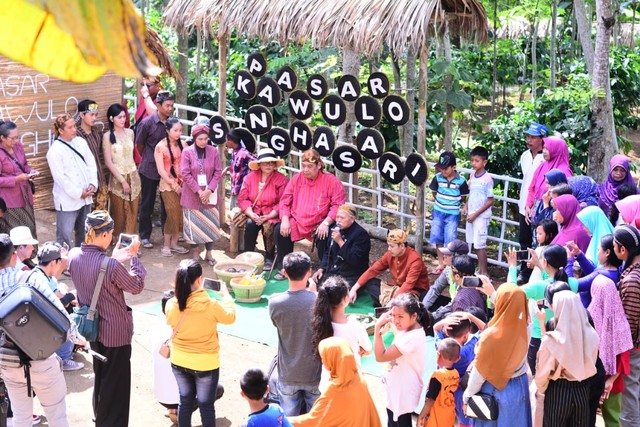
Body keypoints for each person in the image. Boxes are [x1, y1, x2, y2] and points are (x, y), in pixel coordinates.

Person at [67, 210, 146, 426]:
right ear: (103, 235)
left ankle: (100, 417)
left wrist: (114, 259)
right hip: (116, 333)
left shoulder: (74, 256)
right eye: (110, 233)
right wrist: (134, 257)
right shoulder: (110, 266)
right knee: (117, 386)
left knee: (101, 377)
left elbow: (94, 273)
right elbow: (136, 285)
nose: (112, 237)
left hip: (92, 329)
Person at [0, 234, 79, 427]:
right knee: (57, 417)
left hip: (6, 361)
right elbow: (62, 316)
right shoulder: (28, 277)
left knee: (20, 417)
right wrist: (77, 338)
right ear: (13, 256)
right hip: (41, 357)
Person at [165, 259, 236, 427]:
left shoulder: (170, 304)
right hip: (206, 363)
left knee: (185, 401)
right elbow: (230, 317)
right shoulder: (210, 305)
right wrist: (226, 297)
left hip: (179, 361)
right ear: (199, 280)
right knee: (206, 405)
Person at [462, 283, 531, 427]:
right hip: (519, 387)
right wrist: (492, 294)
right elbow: (511, 306)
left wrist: (467, 397)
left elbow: (479, 372)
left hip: (493, 391)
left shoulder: (490, 336)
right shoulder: (526, 329)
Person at [507, 244, 579, 374]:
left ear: (545, 261)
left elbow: (511, 292)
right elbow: (554, 279)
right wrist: (540, 265)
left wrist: (512, 267)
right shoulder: (573, 283)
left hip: (540, 340)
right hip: (565, 340)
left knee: (539, 384)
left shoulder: (538, 287)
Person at [275, 149, 346, 279]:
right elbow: (285, 201)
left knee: (325, 234)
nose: (306, 170)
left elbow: (338, 205)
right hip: (298, 221)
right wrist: (285, 219)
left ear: (319, 166)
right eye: (303, 166)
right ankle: (285, 267)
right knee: (280, 229)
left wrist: (326, 223)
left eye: (310, 166)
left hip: (320, 223)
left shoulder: (331, 181)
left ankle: (323, 269)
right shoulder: (297, 179)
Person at [535, 291, 599, 427]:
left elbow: (542, 376)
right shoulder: (592, 335)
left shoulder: (551, 340)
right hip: (583, 388)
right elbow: (592, 361)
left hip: (558, 390)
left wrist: (541, 390)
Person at [268, 252, 322, 416]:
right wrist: (314, 293)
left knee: (289, 419)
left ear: (284, 272)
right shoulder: (319, 301)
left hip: (288, 373)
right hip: (315, 373)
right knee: (315, 419)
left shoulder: (275, 301)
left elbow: (276, 323)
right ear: (309, 272)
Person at [289, 337, 381, 427]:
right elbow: (371, 413)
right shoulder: (359, 379)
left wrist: (281, 418)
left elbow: (314, 421)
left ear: (331, 360)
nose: (322, 360)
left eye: (323, 357)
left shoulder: (334, 391)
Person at [374, 293, 431, 427]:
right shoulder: (408, 328)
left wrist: (377, 329)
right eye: (393, 316)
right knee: (393, 421)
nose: (396, 320)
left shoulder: (412, 338)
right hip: (397, 389)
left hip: (402, 392)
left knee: (399, 422)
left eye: (400, 316)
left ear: (414, 316)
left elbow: (380, 356)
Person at [587, 267, 634, 427]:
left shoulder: (589, 318)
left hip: (601, 383)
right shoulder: (621, 322)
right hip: (610, 383)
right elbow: (625, 356)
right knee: (611, 419)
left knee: (601, 418)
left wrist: (608, 382)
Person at [30, 242, 84, 371]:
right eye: (60, 262)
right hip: (39, 329)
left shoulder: (37, 273)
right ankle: (63, 360)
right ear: (54, 262)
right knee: (67, 320)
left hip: (32, 325)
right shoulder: (41, 280)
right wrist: (70, 297)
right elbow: (54, 309)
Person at [310, 276, 371, 391]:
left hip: (327, 385)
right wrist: (360, 350)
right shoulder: (355, 326)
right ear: (344, 299)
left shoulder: (319, 322)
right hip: (351, 383)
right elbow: (368, 349)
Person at [47, 114, 98, 248]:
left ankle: (80, 262)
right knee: (65, 236)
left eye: (74, 126)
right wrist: (78, 193)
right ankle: (63, 264)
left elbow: (91, 163)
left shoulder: (81, 142)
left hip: (86, 196)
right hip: (68, 200)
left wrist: (92, 183)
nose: (74, 129)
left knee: (84, 231)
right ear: (61, 131)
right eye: (70, 127)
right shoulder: (55, 151)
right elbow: (60, 179)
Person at [135, 90, 175, 249]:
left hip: (168, 170)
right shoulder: (147, 123)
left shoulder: (173, 122)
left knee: (168, 203)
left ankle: (168, 235)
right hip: (150, 168)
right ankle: (144, 236)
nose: (170, 109)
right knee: (147, 203)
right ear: (158, 105)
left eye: (172, 105)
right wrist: (151, 157)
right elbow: (139, 145)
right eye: (167, 106)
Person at [180, 124, 224, 266]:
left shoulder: (213, 151)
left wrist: (209, 190)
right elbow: (185, 173)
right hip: (192, 194)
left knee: (210, 225)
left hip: (209, 194)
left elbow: (218, 172)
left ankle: (209, 254)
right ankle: (195, 253)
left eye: (205, 138)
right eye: (200, 139)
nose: (203, 142)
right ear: (194, 139)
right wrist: (199, 191)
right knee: (193, 226)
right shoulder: (187, 152)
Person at [349, 229, 429, 306]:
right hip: (395, 288)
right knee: (371, 283)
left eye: (391, 246)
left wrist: (393, 300)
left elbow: (408, 285)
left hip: (413, 292)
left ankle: (389, 303)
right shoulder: (389, 254)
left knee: (408, 300)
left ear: (402, 246)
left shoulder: (415, 260)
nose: (388, 249)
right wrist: (354, 289)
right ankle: (389, 303)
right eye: (388, 246)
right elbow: (373, 270)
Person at [433, 310, 486, 427]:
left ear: (447, 331)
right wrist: (471, 316)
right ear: (466, 335)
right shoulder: (467, 350)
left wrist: (443, 322)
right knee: (465, 421)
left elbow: (435, 328)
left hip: (444, 391)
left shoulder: (442, 346)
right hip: (462, 391)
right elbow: (486, 330)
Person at [238, 148, 289, 270]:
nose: (269, 165)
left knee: (269, 226)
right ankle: (247, 254)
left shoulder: (281, 179)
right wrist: (250, 213)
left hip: (273, 213)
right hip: (254, 211)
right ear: (259, 164)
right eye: (265, 163)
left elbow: (284, 201)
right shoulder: (250, 178)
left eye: (271, 162)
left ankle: (269, 256)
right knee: (251, 225)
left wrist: (270, 215)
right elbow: (242, 198)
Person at [612, 224, 640, 427]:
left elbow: (628, 325)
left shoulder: (631, 281)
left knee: (630, 394)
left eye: (615, 246)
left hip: (633, 347)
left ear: (623, 250)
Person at [103, 103, 141, 243]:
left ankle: (130, 242)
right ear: (112, 118)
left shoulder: (130, 132)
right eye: (119, 117)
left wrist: (132, 177)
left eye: (124, 116)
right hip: (117, 177)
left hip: (133, 175)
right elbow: (108, 162)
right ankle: (119, 241)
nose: (123, 119)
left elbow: (132, 155)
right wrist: (123, 181)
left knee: (133, 210)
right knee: (118, 212)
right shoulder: (107, 136)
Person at [429, 151, 469, 273]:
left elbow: (463, 196)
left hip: (452, 213)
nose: (443, 171)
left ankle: (448, 265)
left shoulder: (461, 181)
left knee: (450, 239)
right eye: (441, 168)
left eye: (445, 168)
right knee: (437, 238)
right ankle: (441, 264)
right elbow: (434, 192)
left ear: (454, 167)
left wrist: (452, 203)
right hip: (438, 211)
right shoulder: (437, 178)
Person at [312, 204, 371, 287]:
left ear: (352, 219)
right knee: (313, 284)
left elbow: (355, 260)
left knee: (335, 292)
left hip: (351, 274)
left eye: (342, 218)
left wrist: (340, 242)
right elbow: (328, 252)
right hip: (334, 271)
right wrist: (321, 268)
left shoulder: (361, 235)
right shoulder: (335, 229)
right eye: (337, 217)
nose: (338, 221)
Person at [154, 117, 189, 257]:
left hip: (183, 185)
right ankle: (166, 245)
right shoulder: (160, 147)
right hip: (167, 186)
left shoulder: (184, 145)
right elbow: (161, 171)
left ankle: (175, 243)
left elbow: (188, 166)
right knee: (172, 213)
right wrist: (174, 184)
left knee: (180, 214)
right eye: (175, 130)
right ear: (167, 130)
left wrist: (184, 183)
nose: (178, 133)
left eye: (180, 130)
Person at [517, 122, 547, 283]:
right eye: (528, 136)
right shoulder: (525, 156)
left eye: (533, 137)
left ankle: (537, 274)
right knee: (524, 240)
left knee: (539, 241)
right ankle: (524, 272)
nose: (529, 140)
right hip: (524, 205)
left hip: (539, 207)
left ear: (542, 139)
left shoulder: (546, 158)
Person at [525, 135, 573, 228]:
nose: (544, 151)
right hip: (536, 211)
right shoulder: (542, 166)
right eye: (543, 148)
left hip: (553, 214)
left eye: (547, 149)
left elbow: (566, 198)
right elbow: (532, 188)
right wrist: (528, 205)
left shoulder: (565, 172)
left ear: (557, 150)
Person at [0, 120, 37, 237]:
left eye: (18, 137)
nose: (16, 141)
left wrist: (30, 171)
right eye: (13, 138)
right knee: (15, 233)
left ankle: (30, 254)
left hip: (25, 195)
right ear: (2, 137)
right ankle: (15, 255)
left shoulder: (18, 146)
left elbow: (24, 164)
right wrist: (16, 179)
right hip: (9, 200)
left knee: (30, 228)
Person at [567, 235, 622, 308]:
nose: (597, 253)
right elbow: (592, 273)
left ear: (607, 252)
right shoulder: (614, 271)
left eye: (598, 250)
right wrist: (579, 254)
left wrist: (568, 260)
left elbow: (572, 285)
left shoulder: (601, 275)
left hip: (588, 317)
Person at [417, 338, 461, 427]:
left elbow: (430, 400)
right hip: (449, 416)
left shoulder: (438, 376)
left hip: (436, 419)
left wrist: (421, 416)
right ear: (458, 359)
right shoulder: (456, 373)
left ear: (438, 355)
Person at [464, 146, 494, 276]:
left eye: (477, 161)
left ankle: (484, 272)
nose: (473, 163)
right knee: (475, 244)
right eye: (472, 160)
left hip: (480, 216)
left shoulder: (487, 179)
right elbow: (471, 195)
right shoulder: (472, 175)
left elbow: (490, 200)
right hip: (472, 214)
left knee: (480, 245)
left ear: (484, 162)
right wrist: (466, 207)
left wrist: (475, 214)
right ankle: (480, 271)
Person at [76, 100, 109, 211]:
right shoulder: (75, 135)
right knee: (84, 221)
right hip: (84, 185)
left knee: (100, 220)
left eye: (96, 115)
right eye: (91, 115)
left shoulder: (97, 132)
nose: (94, 118)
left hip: (100, 180)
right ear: (81, 115)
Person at [422, 239, 470, 312]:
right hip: (454, 303)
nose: (444, 256)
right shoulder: (448, 270)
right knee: (424, 296)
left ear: (457, 257)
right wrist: (423, 309)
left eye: (448, 254)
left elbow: (458, 303)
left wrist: (434, 315)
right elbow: (435, 289)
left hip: (464, 310)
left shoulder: (466, 275)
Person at [224, 129, 256, 209]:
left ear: (230, 141)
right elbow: (236, 167)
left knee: (239, 213)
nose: (225, 142)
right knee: (233, 213)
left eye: (226, 140)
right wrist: (228, 168)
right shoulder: (234, 152)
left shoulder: (244, 153)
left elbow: (257, 161)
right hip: (235, 189)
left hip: (242, 189)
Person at [526, 219, 559, 284]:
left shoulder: (539, 250)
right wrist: (531, 264)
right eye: (537, 233)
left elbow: (534, 264)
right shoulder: (556, 250)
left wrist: (532, 264)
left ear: (549, 235)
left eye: (540, 234)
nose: (537, 236)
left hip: (535, 281)